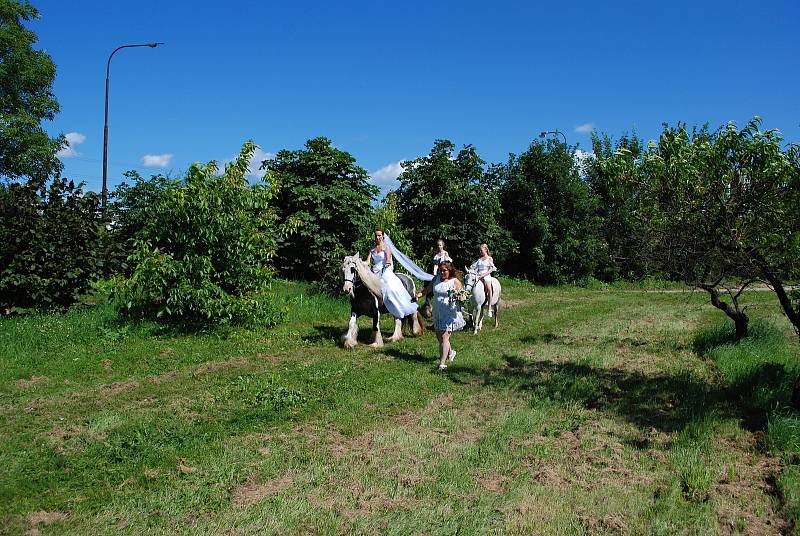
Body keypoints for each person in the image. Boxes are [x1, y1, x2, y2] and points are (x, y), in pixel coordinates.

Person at [416, 261, 466, 370]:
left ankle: (442, 364)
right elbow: (427, 290)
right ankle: (451, 352)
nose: (442, 272)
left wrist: (460, 297)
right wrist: (418, 296)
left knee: (444, 337)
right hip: (438, 312)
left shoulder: (455, 282)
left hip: (450, 312)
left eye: (444, 270)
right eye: (440, 270)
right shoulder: (436, 279)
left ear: (450, 270)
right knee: (440, 337)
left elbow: (463, 296)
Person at [366, 228, 419, 319]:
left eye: (379, 235)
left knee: (390, 287)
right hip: (374, 271)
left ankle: (396, 305)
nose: (377, 237)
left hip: (385, 270)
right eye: (376, 235)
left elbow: (388, 260)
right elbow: (367, 262)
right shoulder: (372, 249)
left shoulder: (386, 247)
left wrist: (386, 266)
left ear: (383, 236)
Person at [471, 243, 496, 317]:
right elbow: (475, 268)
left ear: (485, 250)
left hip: (486, 275)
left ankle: (489, 308)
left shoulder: (489, 258)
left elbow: (491, 269)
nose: (480, 252)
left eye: (481, 250)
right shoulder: (479, 259)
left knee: (489, 288)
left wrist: (484, 275)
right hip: (478, 275)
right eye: (480, 251)